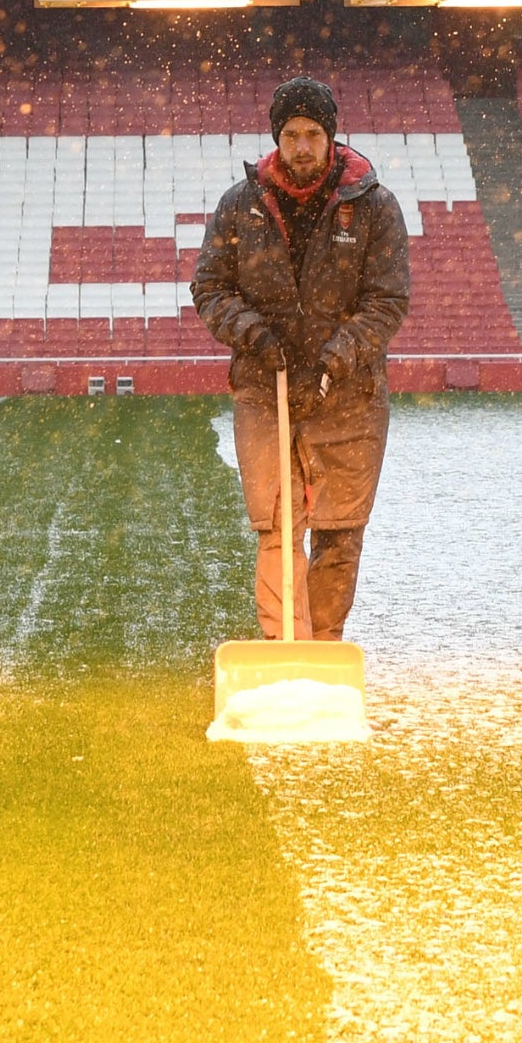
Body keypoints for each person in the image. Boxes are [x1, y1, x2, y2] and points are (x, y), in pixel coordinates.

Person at [190, 76, 411, 642]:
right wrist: (257, 338)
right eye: (291, 134)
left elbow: (387, 300)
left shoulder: (374, 207)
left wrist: (331, 363)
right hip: (264, 390)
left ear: (332, 138)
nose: (302, 146)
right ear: (276, 138)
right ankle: (282, 646)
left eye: (313, 133)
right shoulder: (241, 207)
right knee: (277, 528)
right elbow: (210, 287)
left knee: (339, 532)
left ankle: (323, 649)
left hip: (351, 396)